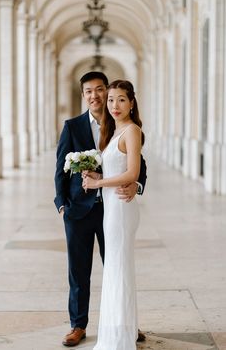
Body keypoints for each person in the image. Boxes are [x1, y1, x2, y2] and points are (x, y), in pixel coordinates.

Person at [54, 72, 147, 347]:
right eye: (88, 91)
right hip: (79, 211)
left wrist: (136, 185)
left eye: (99, 90)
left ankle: (124, 324)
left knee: (116, 266)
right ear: (84, 95)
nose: (95, 96)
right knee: (78, 271)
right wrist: (61, 204)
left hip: (113, 208)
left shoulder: (119, 123)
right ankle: (78, 325)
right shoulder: (72, 126)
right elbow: (60, 168)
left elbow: (139, 164)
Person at [82, 79, 145, 350]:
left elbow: (132, 173)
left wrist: (98, 184)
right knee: (116, 271)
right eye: (111, 99)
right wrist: (97, 175)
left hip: (121, 208)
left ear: (131, 102)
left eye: (121, 99)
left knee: (118, 269)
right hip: (112, 208)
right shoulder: (113, 131)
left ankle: (119, 339)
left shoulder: (132, 130)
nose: (114, 105)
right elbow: (115, 170)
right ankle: (120, 330)